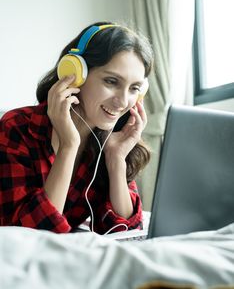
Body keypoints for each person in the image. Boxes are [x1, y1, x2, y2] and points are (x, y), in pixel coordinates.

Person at [0, 21, 153, 234]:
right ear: (74, 73)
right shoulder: (16, 128)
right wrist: (68, 146)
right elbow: (29, 237)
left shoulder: (111, 139)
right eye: (111, 81)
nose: (123, 101)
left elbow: (128, 233)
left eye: (134, 88)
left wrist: (116, 160)